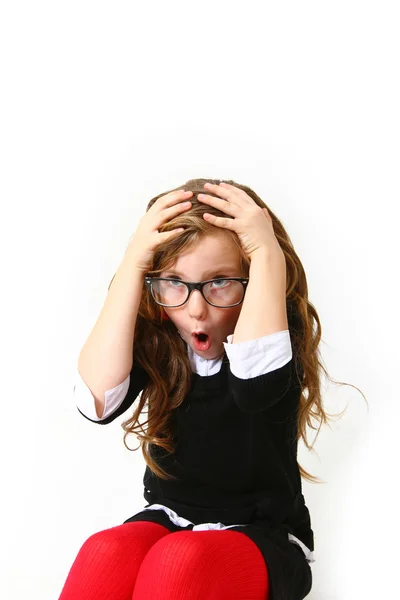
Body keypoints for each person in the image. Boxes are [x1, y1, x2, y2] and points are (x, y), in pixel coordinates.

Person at [61, 177, 347, 599]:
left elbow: (255, 386)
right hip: (172, 517)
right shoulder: (161, 332)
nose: (195, 308)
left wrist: (267, 252)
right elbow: (96, 402)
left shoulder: (277, 328)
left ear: (255, 280)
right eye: (174, 281)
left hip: (263, 534)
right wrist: (134, 263)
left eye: (219, 282)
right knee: (104, 551)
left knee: (179, 559)